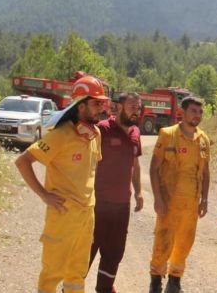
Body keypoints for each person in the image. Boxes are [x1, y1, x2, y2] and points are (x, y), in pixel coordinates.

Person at [14, 75, 109, 293]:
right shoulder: (60, 135)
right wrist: (44, 195)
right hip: (63, 215)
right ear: (81, 105)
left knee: (77, 273)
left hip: (86, 215)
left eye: (101, 103)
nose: (100, 109)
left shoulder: (95, 135)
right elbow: (22, 161)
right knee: (52, 274)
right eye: (96, 104)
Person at [149, 96, 211, 293]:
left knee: (185, 242)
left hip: (191, 205)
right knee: (163, 241)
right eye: (193, 111)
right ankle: (156, 280)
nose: (197, 116)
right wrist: (158, 199)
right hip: (169, 201)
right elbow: (153, 169)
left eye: (200, 112)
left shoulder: (203, 140)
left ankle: (175, 280)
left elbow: (206, 172)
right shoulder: (168, 135)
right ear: (182, 113)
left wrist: (204, 199)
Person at [89, 92, 145, 293]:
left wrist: (138, 192)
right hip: (98, 204)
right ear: (118, 107)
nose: (136, 112)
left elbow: (135, 164)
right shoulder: (102, 130)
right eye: (132, 107)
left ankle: (104, 288)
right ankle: (71, 288)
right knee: (88, 249)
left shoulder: (135, 133)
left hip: (122, 205)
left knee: (114, 252)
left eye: (138, 108)